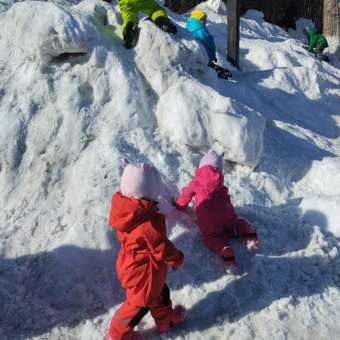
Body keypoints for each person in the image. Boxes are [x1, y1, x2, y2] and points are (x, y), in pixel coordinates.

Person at [107, 162, 185, 340]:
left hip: (132, 263)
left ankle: (166, 321)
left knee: (160, 293)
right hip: (145, 272)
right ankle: (116, 335)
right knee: (138, 305)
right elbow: (161, 246)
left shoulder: (125, 210)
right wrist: (177, 258)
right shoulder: (149, 221)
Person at [173, 149, 259, 273]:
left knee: (212, 237)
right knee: (234, 224)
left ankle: (225, 250)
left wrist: (178, 205)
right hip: (226, 213)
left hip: (208, 219)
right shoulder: (220, 183)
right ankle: (247, 230)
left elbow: (185, 196)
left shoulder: (196, 183)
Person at [186, 9, 231, 79]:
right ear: (199, 19)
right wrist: (213, 56)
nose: (205, 21)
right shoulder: (202, 30)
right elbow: (210, 44)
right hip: (205, 55)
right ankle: (219, 74)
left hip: (194, 56)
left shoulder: (187, 28)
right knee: (209, 65)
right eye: (203, 18)